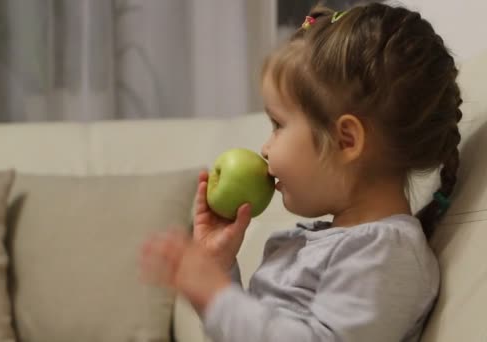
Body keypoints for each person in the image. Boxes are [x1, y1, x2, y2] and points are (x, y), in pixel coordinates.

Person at [139, 2, 462, 341]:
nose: (264, 148)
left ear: (346, 140)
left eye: (278, 125)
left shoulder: (387, 254)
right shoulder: (328, 244)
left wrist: (218, 298)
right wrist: (219, 266)